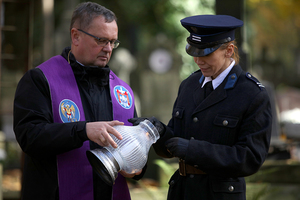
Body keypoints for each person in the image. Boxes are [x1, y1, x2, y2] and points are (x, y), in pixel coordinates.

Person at [129, 15, 272, 200]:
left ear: (228, 50)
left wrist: (193, 150)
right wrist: (157, 131)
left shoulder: (251, 94)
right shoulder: (189, 85)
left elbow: (249, 158)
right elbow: (176, 140)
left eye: (206, 54)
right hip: (182, 191)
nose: (198, 60)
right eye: (195, 53)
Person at [13, 2, 144, 200]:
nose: (108, 49)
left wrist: (136, 168)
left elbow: (133, 148)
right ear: (76, 36)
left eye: (113, 42)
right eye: (101, 40)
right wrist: (83, 130)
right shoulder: (41, 80)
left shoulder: (122, 91)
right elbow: (29, 137)